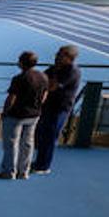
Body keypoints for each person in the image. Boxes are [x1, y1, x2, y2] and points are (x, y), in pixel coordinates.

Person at [0, 51, 48, 180]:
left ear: (22, 63)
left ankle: (9, 172)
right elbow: (45, 95)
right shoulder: (43, 77)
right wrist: (37, 107)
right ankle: (24, 172)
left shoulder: (19, 78)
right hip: (34, 115)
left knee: (11, 144)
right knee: (28, 143)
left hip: (16, 115)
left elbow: (12, 97)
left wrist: (5, 112)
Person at [30, 45, 82, 175]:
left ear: (69, 57)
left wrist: (44, 85)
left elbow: (52, 86)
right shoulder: (54, 69)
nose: (56, 56)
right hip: (48, 106)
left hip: (60, 108)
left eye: (60, 54)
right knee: (42, 134)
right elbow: (40, 80)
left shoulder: (72, 71)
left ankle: (43, 166)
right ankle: (39, 161)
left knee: (50, 136)